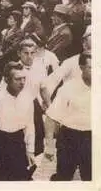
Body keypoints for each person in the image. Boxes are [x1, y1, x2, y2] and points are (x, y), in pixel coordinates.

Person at [47, 53, 91, 181]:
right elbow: (51, 117)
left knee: (90, 178)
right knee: (63, 178)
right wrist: (49, 145)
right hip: (69, 138)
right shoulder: (68, 88)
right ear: (81, 67)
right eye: (91, 67)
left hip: (92, 138)